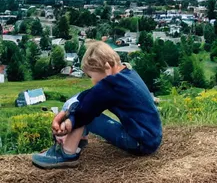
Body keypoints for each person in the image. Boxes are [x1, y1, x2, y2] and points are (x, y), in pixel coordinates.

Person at [31, 41, 162, 169]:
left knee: (84, 113)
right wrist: (64, 112)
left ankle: (67, 153)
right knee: (84, 107)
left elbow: (85, 110)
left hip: (140, 143)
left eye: (92, 76)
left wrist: (70, 122)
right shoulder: (126, 75)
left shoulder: (112, 84)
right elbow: (89, 94)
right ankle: (78, 138)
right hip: (149, 137)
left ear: (107, 68)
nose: (92, 81)